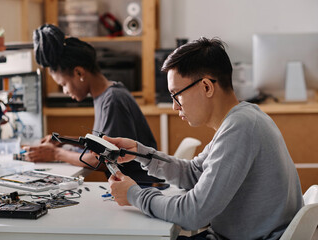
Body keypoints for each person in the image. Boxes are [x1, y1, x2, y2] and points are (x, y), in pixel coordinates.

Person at [106, 38, 303, 239]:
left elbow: (193, 213)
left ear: (207, 87)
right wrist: (141, 153)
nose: (175, 106)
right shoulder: (243, 119)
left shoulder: (241, 127)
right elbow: (194, 173)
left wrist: (134, 195)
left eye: (177, 95)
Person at [25, 24, 162, 183]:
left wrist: (56, 154)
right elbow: (102, 143)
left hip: (138, 192)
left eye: (63, 84)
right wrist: (63, 140)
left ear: (79, 73)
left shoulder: (112, 101)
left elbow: (105, 160)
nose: (64, 91)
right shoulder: (109, 93)